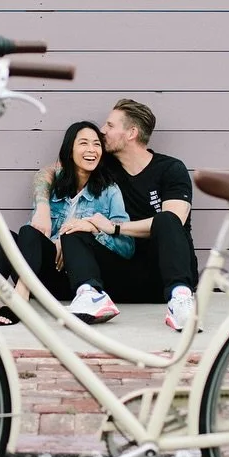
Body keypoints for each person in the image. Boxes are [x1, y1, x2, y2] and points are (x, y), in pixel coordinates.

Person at [34, 99, 199, 330]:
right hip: (121, 273)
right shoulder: (104, 166)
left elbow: (175, 219)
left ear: (131, 133)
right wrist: (42, 206)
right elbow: (50, 172)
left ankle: (180, 302)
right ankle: (91, 296)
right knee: (77, 229)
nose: (102, 131)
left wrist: (113, 227)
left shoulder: (170, 169)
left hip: (163, 276)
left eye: (110, 125)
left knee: (166, 219)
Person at [0, 121, 134, 325]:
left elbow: (127, 246)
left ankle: (20, 300)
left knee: (49, 234)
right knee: (14, 236)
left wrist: (89, 230)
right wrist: (55, 240)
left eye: (97, 144)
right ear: (70, 150)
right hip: (43, 275)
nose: (91, 150)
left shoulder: (109, 191)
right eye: (84, 143)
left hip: (76, 280)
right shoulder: (53, 188)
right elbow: (30, 240)